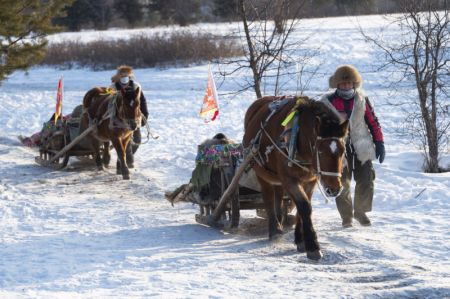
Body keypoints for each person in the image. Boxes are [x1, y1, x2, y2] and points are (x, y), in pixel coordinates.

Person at [320, 65, 385, 228]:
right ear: (337, 84)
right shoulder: (327, 102)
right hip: (337, 149)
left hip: (361, 145)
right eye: (343, 84)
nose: (346, 86)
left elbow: (373, 122)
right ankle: (346, 217)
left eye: (349, 83)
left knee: (366, 179)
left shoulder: (362, 100)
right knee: (343, 182)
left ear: (354, 83)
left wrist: (379, 142)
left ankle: (360, 212)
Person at [110, 65, 149, 168]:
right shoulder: (113, 88)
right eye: (122, 76)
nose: (124, 78)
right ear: (119, 77)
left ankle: (126, 158)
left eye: (126, 76)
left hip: (134, 118)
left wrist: (145, 114)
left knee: (137, 140)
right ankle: (125, 160)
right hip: (119, 120)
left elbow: (142, 101)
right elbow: (109, 103)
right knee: (124, 140)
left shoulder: (136, 86)